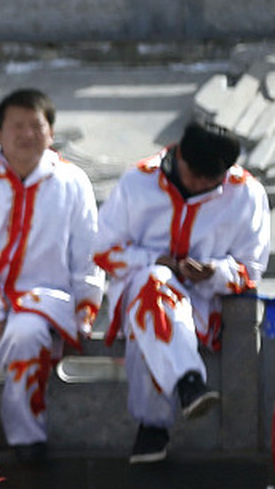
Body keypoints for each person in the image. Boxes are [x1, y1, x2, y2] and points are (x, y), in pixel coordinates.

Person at [0, 90, 102, 467]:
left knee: (28, 333)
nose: (26, 134)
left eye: (35, 126)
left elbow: (88, 250)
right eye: (17, 126)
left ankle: (28, 436)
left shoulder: (73, 182)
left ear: (51, 131)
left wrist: (87, 305)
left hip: (41, 297)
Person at [98, 121, 269, 463]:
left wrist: (214, 272)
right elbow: (103, 250)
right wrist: (159, 260)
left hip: (204, 306)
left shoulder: (247, 193)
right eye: (195, 175)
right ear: (179, 155)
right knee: (154, 281)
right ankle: (189, 382)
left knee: (154, 308)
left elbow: (250, 269)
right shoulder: (137, 181)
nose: (200, 185)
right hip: (137, 294)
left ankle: (154, 426)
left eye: (211, 180)